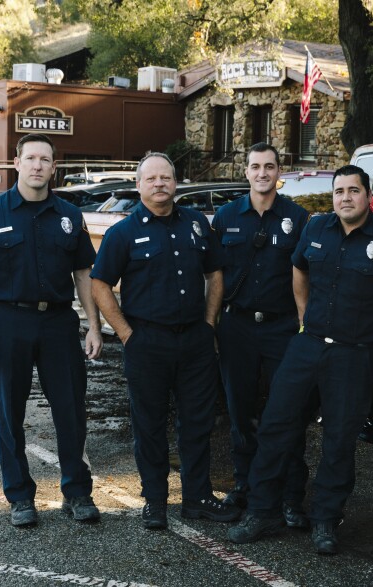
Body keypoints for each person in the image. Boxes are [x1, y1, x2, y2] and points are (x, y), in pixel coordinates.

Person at [228, 165, 373, 554]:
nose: (345, 197)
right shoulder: (316, 228)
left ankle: (325, 520)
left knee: (339, 441)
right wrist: (304, 315)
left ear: (367, 196)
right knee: (276, 426)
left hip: (353, 355)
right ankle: (262, 510)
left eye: (353, 191)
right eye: (339, 191)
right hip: (306, 347)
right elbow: (298, 267)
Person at [0, 133, 103, 527]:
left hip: (59, 322)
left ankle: (77, 492)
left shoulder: (71, 216)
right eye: (31, 158)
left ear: (54, 167)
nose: (38, 165)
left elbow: (84, 274)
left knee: (71, 411)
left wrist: (94, 325)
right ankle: (20, 496)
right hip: (8, 322)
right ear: (16, 162)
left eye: (45, 159)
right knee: (9, 412)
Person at [90, 152, 240, 529]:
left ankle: (197, 498)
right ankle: (154, 500)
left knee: (197, 423)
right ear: (138, 185)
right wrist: (125, 333)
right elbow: (99, 284)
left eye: (166, 178)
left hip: (195, 341)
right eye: (152, 178)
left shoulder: (195, 224)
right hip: (147, 342)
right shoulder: (122, 233)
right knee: (149, 425)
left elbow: (215, 273)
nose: (160, 184)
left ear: (176, 183)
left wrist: (209, 322)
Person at [212, 142, 312, 528]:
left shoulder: (297, 218)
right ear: (247, 171)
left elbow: (306, 275)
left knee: (286, 412)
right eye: (255, 167)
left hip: (281, 328)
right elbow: (215, 276)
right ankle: (245, 484)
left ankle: (290, 495)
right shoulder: (225, 217)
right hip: (237, 327)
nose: (262, 173)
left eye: (269, 167)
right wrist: (213, 323)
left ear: (278, 171)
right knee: (240, 410)